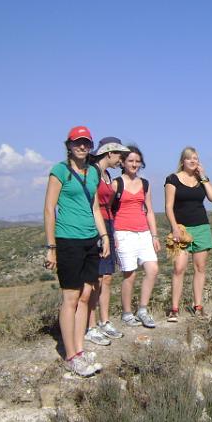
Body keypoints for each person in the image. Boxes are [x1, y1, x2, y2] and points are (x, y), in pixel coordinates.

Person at [44, 126, 110, 377]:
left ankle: (80, 349)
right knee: (70, 298)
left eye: (86, 143)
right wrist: (51, 247)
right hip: (67, 240)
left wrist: (104, 236)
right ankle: (71, 355)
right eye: (77, 143)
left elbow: (95, 208)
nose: (82, 147)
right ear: (69, 145)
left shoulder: (93, 172)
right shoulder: (59, 171)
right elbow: (50, 209)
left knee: (86, 295)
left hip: (90, 239)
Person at [83, 137, 131, 346]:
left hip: (108, 225)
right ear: (109, 153)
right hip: (97, 225)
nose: (121, 159)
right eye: (119, 155)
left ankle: (104, 321)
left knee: (107, 277)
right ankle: (90, 325)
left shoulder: (107, 174)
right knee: (96, 279)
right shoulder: (92, 172)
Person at [164, 147, 212, 319]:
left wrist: (203, 176)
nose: (193, 161)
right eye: (189, 159)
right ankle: (174, 309)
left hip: (201, 226)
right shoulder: (173, 179)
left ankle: (198, 306)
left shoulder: (200, 179)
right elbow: (168, 206)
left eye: (195, 158)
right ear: (183, 161)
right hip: (182, 228)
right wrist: (174, 228)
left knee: (200, 268)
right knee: (179, 268)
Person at [112, 146, 159, 328]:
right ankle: (126, 313)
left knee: (152, 269)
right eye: (130, 160)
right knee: (129, 274)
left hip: (143, 233)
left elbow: (149, 210)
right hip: (123, 233)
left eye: (137, 161)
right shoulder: (116, 184)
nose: (134, 164)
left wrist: (154, 235)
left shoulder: (145, 184)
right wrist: (112, 234)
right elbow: (108, 210)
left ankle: (142, 310)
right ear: (123, 162)